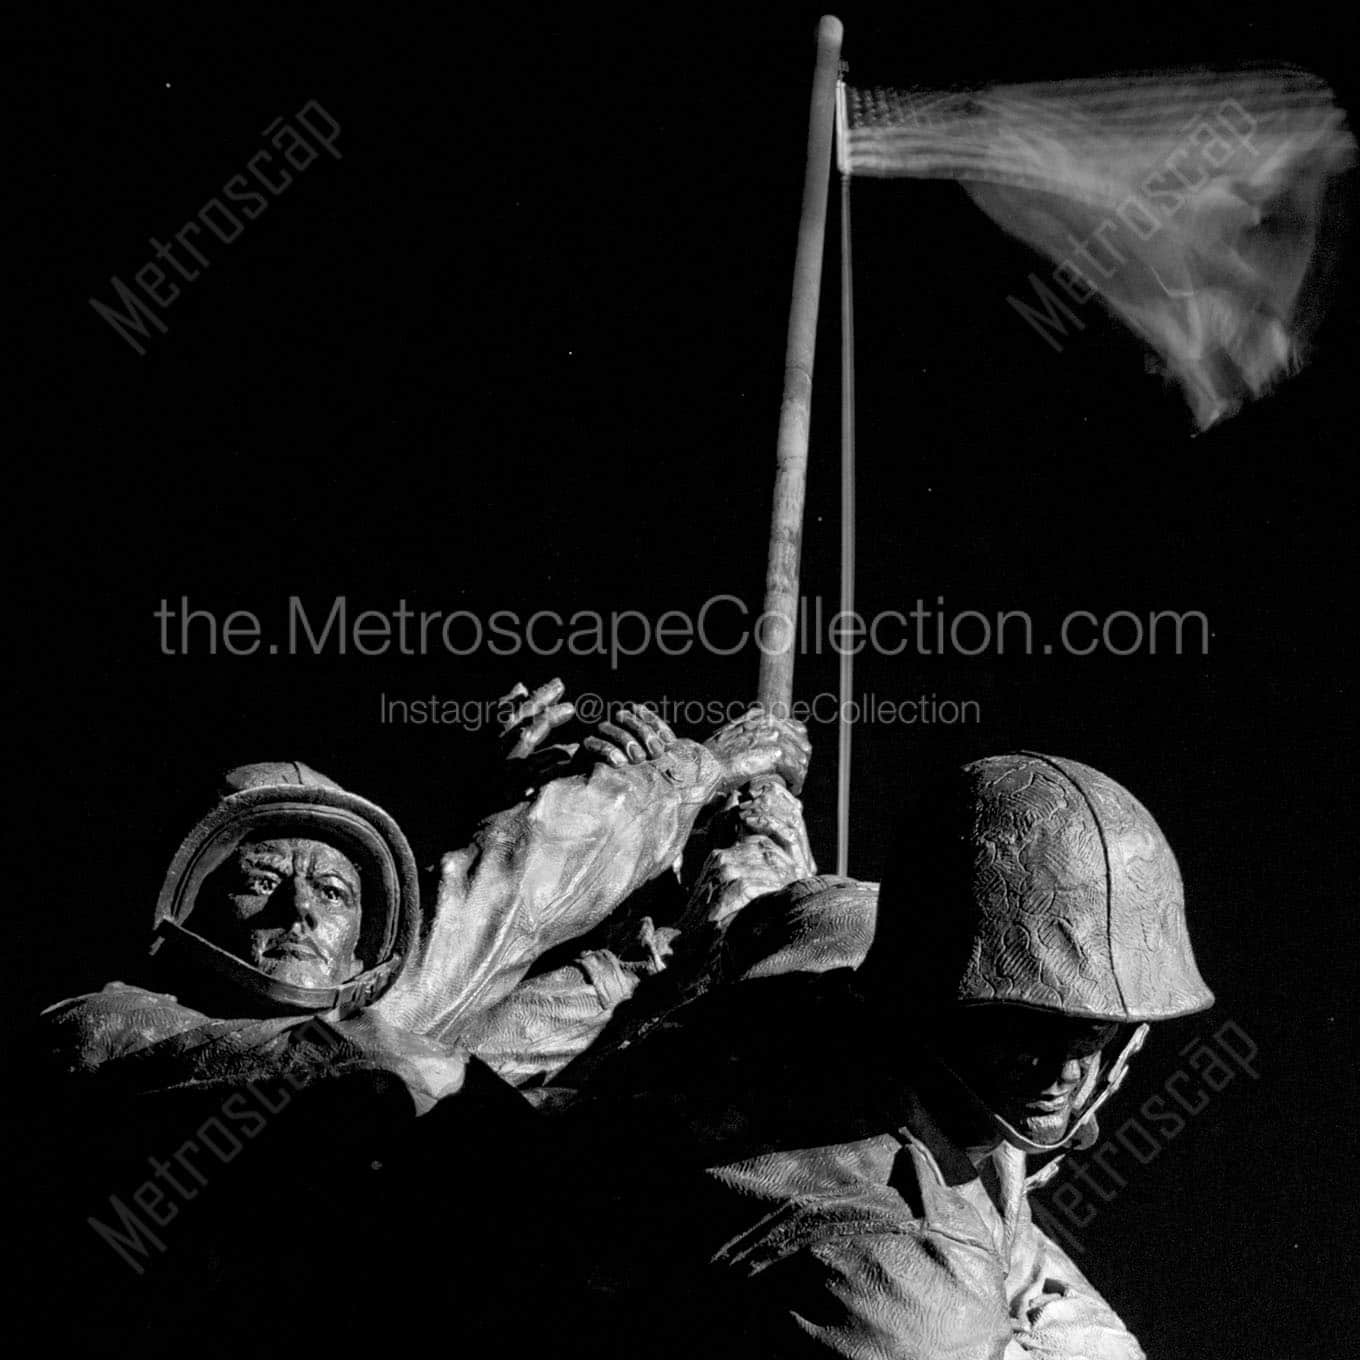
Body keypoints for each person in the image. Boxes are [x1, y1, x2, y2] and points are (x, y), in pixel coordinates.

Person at [8, 681, 809, 1357]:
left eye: (333, 892)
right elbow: (427, 1006)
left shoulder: (374, 1036)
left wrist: (688, 945)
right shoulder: (109, 1028)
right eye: (260, 880)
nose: (299, 910)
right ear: (195, 910)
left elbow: (484, 1009)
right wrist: (688, 775)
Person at [549, 749, 1214, 1359]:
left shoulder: (857, 926)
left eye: (1095, 1028)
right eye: (1030, 1025)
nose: (1068, 1071)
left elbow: (795, 904)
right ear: (937, 996)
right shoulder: (914, 1288)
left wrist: (764, 827)